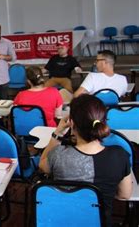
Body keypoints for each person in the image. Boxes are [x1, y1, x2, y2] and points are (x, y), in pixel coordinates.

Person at [39, 94, 132, 226]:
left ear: (72, 123)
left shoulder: (58, 154)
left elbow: (42, 165)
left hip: (63, 221)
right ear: (103, 121)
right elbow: (124, 195)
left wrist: (58, 132)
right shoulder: (120, 155)